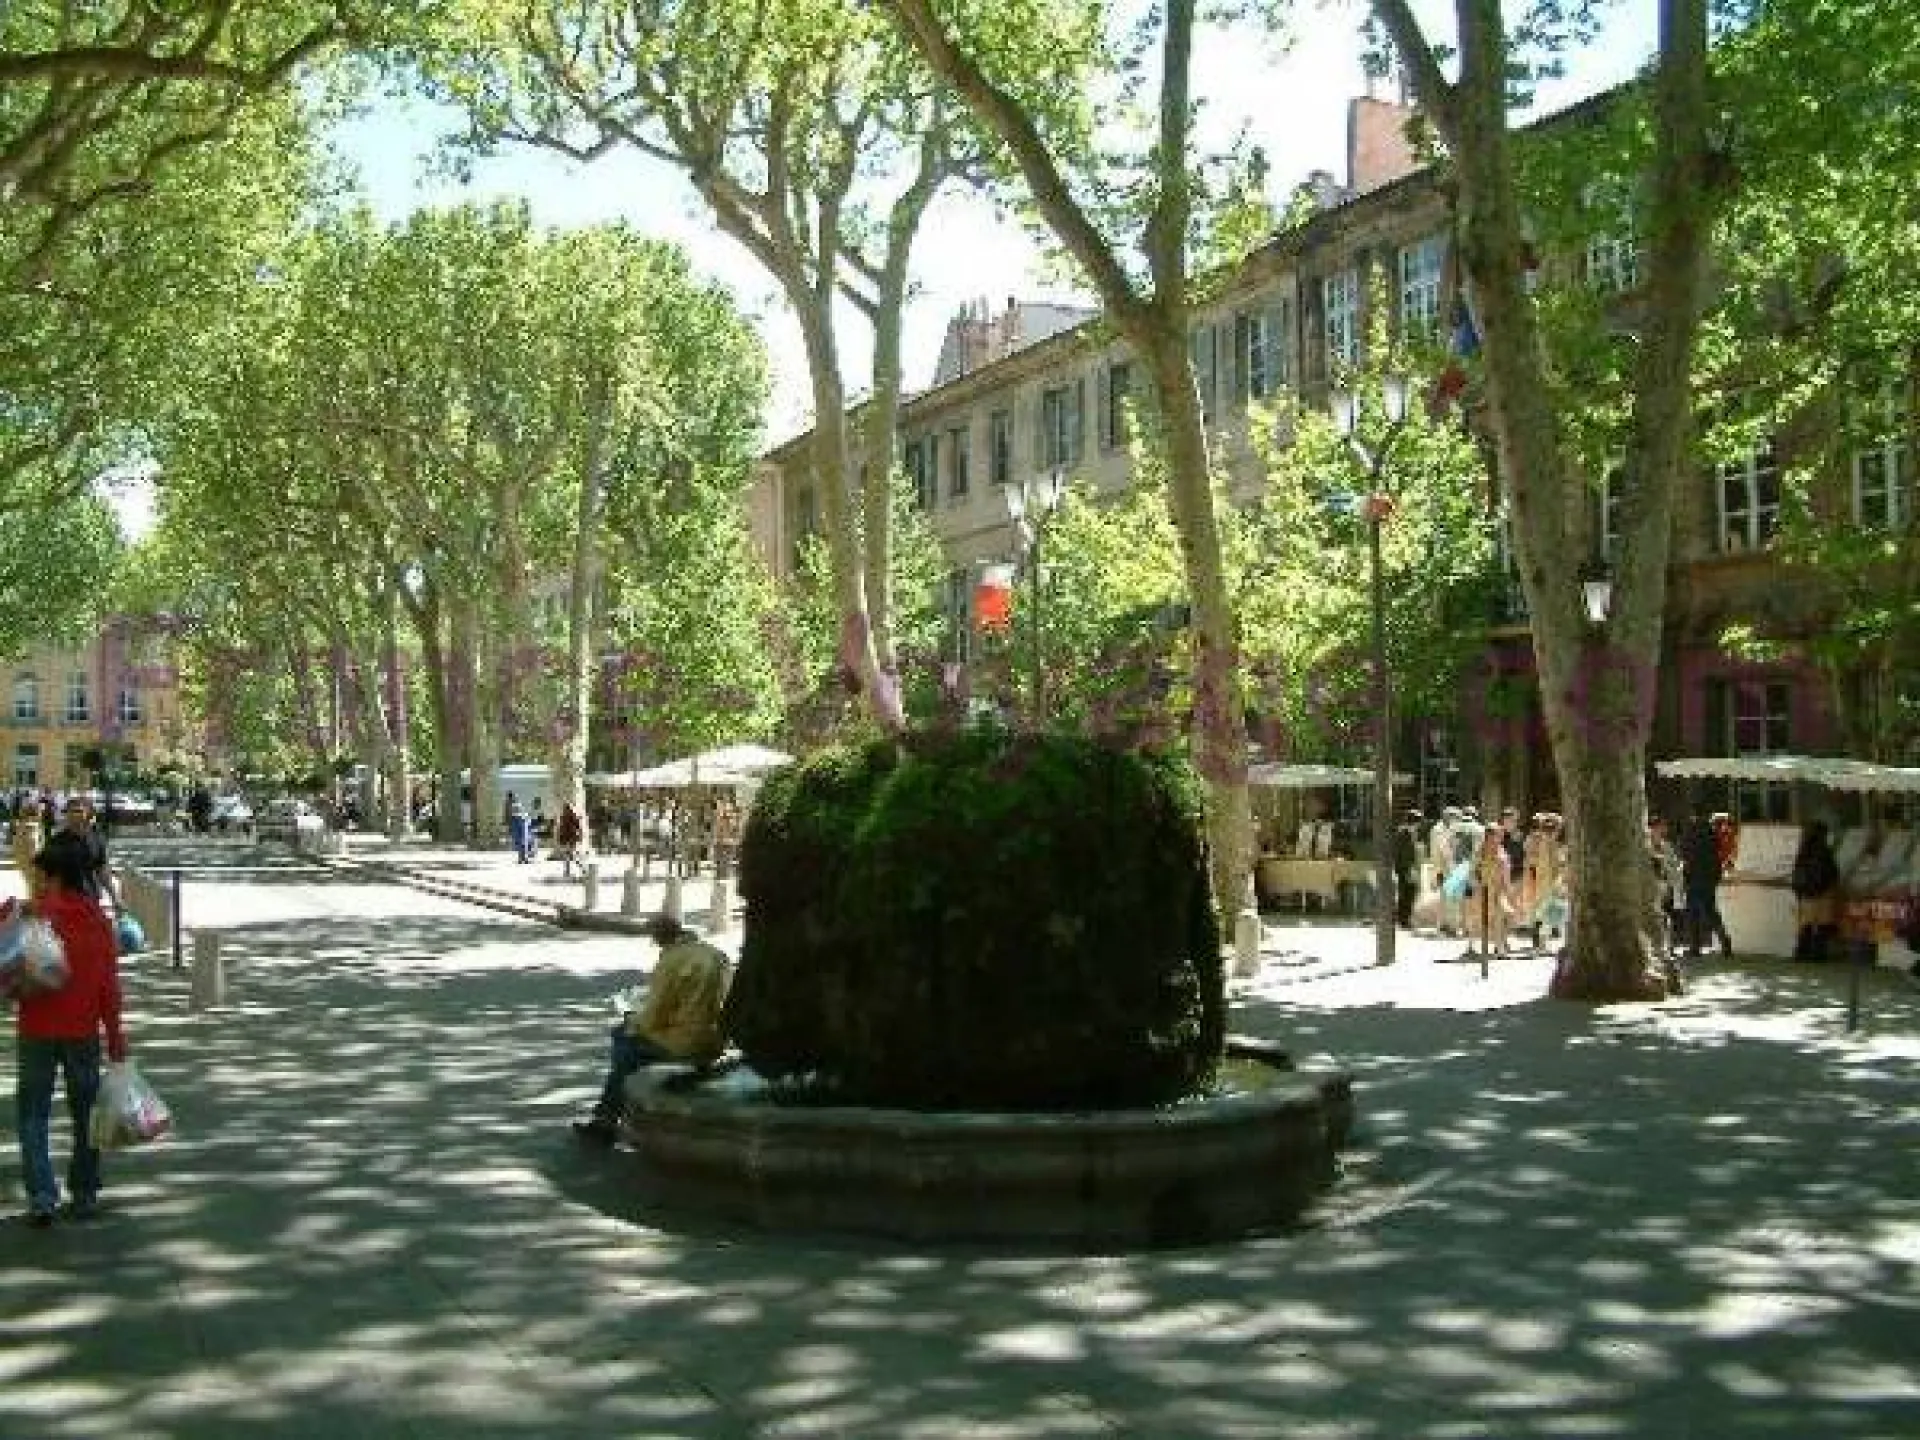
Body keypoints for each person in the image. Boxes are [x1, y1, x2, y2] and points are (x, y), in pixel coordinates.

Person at [15, 833, 129, 1226]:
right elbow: (108, 987)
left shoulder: (32, 916)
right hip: (82, 1030)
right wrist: (115, 1037)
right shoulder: (98, 922)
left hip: (36, 1028)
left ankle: (42, 1197)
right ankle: (83, 1194)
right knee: (85, 1114)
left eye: (42, 874)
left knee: (32, 1114)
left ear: (53, 876)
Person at [573, 915, 732, 1143]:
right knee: (629, 1041)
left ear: (657, 938)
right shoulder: (715, 954)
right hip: (716, 1040)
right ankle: (615, 1112)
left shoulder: (672, 960)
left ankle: (605, 1120)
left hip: (684, 1042)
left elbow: (655, 1015)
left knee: (624, 1042)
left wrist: (631, 1018)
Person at [1680, 813, 1734, 959]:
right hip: (1710, 879)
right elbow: (1718, 857)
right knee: (1711, 911)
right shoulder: (1712, 836)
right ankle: (1724, 941)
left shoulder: (1691, 834)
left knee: (1692, 913)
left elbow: (1686, 855)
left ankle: (1695, 947)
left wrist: (1687, 876)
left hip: (1695, 878)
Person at [1790, 820, 1842, 963]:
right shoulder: (1824, 850)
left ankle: (1802, 953)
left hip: (1806, 893)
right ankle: (1818, 955)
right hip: (1823, 892)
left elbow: (1797, 872)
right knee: (1822, 925)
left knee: (1806, 924)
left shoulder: (1804, 849)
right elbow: (1832, 872)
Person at [58, 799, 119, 912]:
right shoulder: (57, 842)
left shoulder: (97, 839)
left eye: (78, 811)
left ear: (87, 814)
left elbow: (103, 871)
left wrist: (115, 899)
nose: (73, 815)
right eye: (69, 812)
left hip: (92, 899)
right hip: (65, 904)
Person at [1464, 825, 1516, 958]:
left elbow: (1506, 874)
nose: (1498, 838)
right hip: (1481, 891)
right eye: (1496, 835)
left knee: (1507, 915)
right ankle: (1471, 947)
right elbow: (1472, 871)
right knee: (1477, 919)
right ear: (1488, 836)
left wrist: (1509, 892)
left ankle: (1499, 946)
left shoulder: (1501, 852)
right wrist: (1475, 885)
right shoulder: (1480, 851)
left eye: (1499, 835)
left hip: (1497, 892)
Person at [10, 797, 46, 903]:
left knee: (31, 885)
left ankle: (35, 903)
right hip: (31, 861)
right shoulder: (31, 827)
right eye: (40, 812)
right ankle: (36, 905)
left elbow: (16, 845)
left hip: (23, 860)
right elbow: (33, 846)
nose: (41, 815)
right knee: (35, 884)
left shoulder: (23, 826)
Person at [1392, 809, 1423, 928]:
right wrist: (1409, 869)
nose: (1419, 825)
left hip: (1409, 867)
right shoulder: (1403, 833)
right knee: (1406, 894)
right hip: (1405, 868)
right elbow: (1402, 853)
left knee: (1409, 893)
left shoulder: (1411, 832)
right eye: (1418, 821)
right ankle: (1403, 920)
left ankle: (1405, 918)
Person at [555, 802, 585, 879]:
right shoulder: (564, 817)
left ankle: (582, 868)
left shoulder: (573, 816)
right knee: (568, 855)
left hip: (572, 838)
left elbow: (579, 827)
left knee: (572, 855)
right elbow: (560, 828)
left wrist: (580, 836)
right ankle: (568, 871)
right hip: (568, 838)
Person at [505, 793, 532, 865]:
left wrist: (508, 824)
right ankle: (523, 857)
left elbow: (508, 815)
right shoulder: (516, 805)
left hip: (519, 821)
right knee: (521, 841)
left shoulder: (512, 805)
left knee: (520, 841)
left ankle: (522, 857)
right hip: (521, 821)